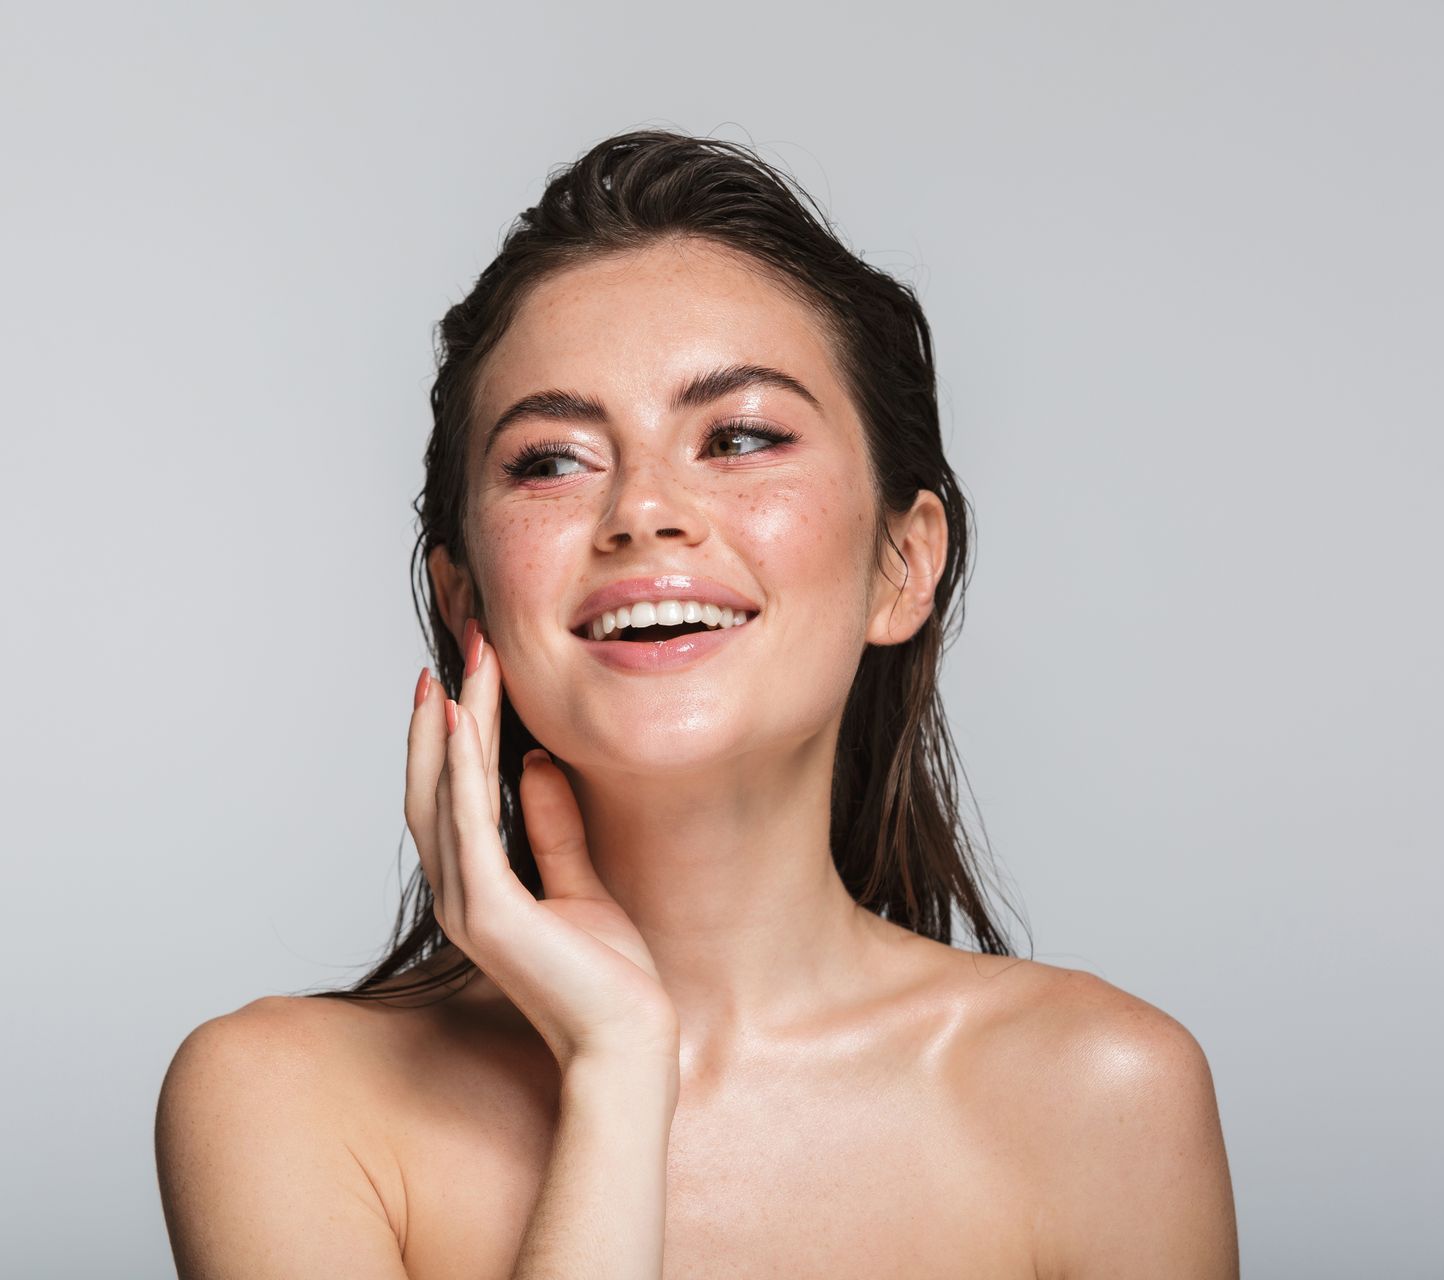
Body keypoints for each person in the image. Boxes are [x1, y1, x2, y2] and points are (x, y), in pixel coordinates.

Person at [153, 128, 1238, 1279]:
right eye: (551, 460)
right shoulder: (283, 1095)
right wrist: (618, 1067)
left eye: (743, 436)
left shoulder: (1104, 1091)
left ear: (901, 565)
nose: (646, 511)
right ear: (463, 592)